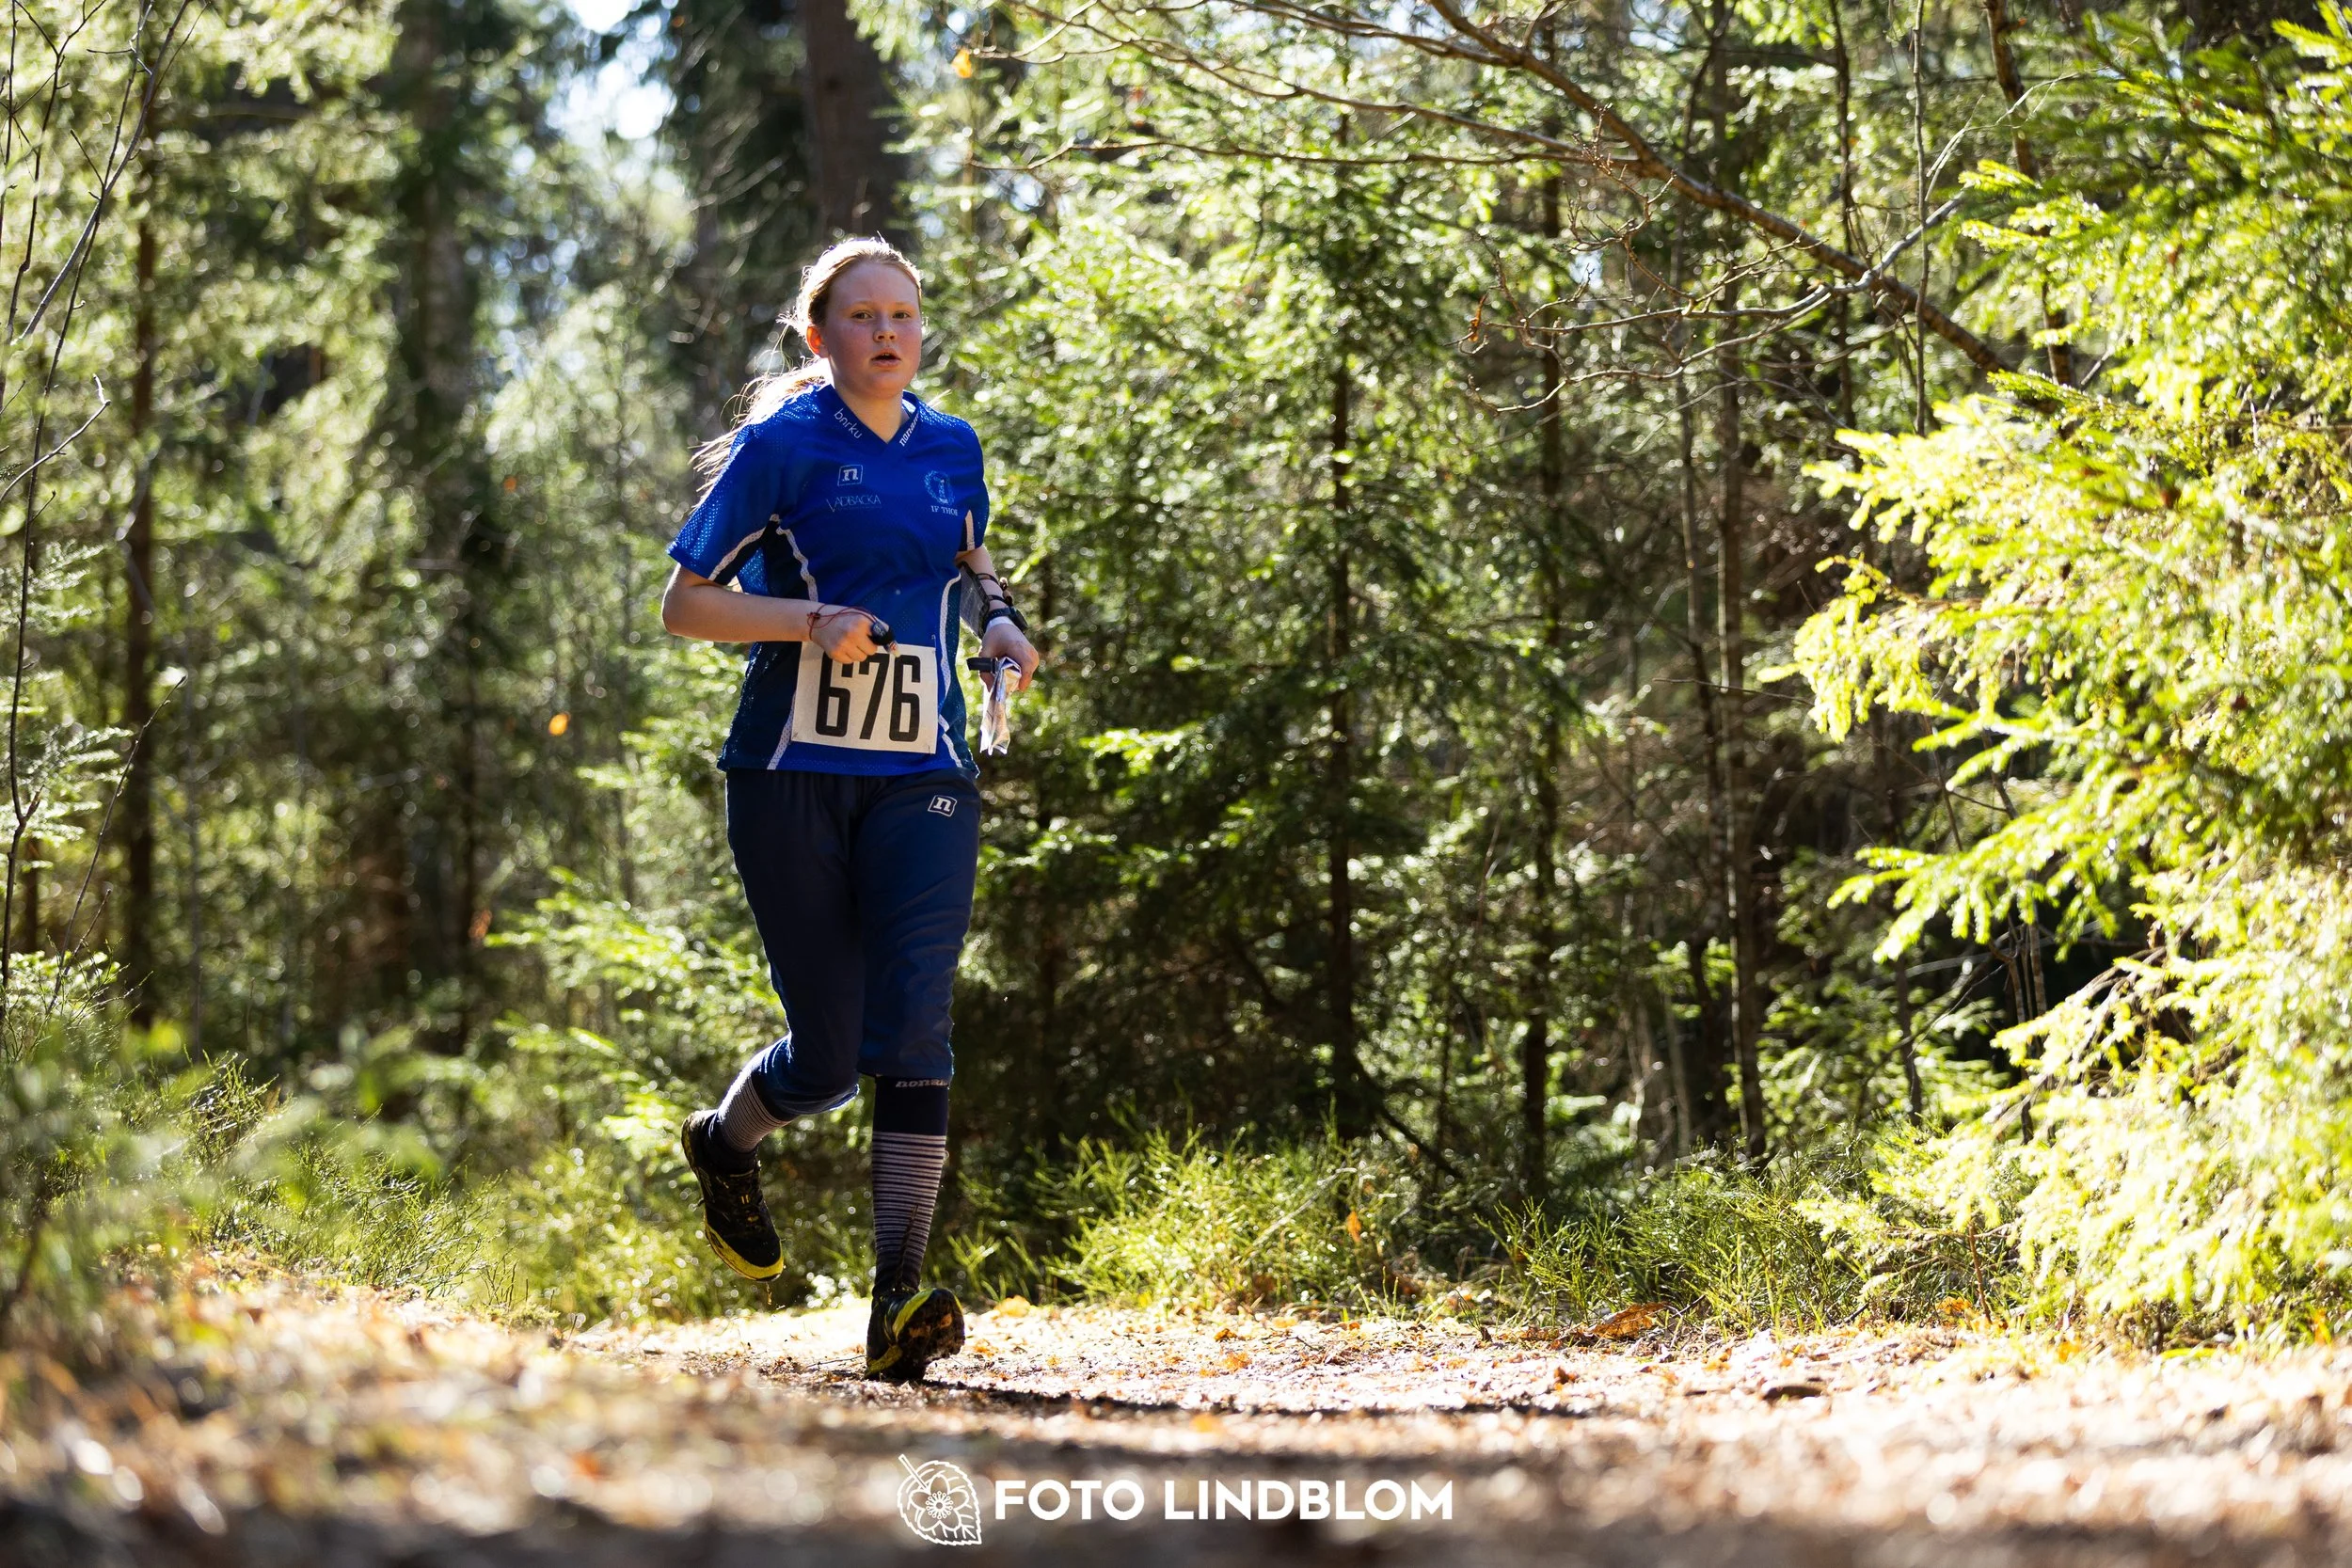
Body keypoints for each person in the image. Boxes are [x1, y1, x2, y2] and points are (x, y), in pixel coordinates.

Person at [659, 237, 1039, 1383]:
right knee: (826, 1058)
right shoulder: (782, 448)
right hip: (787, 776)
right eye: (863, 316)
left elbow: (972, 560)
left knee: (915, 1019)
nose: (888, 332)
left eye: (906, 316)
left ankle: (897, 1295)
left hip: (924, 768)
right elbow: (685, 605)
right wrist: (807, 624)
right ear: (818, 337)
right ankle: (724, 1146)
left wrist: (1001, 623)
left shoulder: (953, 448)